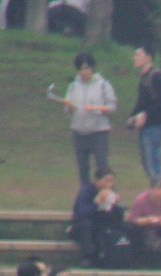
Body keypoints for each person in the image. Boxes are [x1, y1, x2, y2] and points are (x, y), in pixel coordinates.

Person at [62, 52, 117, 185]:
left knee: (102, 168)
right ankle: (86, 194)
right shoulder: (73, 86)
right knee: (83, 169)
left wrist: (95, 108)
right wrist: (69, 106)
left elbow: (112, 107)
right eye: (81, 69)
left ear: (92, 68)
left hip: (99, 132)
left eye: (86, 68)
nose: (84, 72)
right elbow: (68, 110)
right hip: (79, 132)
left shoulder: (103, 84)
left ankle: (108, 194)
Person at [128, 46, 161, 188]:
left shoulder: (156, 76)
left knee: (153, 163)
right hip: (146, 127)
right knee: (148, 163)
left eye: (138, 55)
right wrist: (133, 117)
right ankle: (157, 190)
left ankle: (159, 192)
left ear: (148, 57)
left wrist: (145, 114)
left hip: (155, 126)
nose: (135, 58)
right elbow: (142, 102)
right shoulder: (144, 77)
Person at [71, 172, 125, 268]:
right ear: (97, 181)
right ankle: (88, 257)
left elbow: (118, 216)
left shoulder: (113, 192)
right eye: (106, 181)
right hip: (84, 226)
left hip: (103, 224)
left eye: (111, 181)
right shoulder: (86, 191)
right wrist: (97, 202)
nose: (109, 184)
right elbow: (82, 213)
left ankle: (116, 256)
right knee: (86, 226)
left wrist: (116, 206)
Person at [127, 178, 161, 263]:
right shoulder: (141, 200)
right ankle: (137, 261)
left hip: (160, 227)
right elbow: (132, 218)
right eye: (158, 189)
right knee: (134, 230)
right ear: (151, 190)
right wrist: (145, 220)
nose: (160, 193)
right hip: (144, 227)